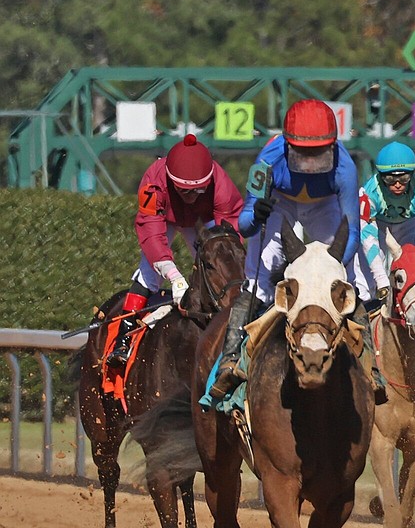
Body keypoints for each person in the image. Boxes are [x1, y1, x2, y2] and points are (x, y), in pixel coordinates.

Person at [208, 98, 385, 403]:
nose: (311, 162)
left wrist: (329, 269)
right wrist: (257, 214)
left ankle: (371, 367)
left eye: (319, 153)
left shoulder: (345, 168)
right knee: (258, 281)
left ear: (333, 145)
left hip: (324, 207)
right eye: (303, 153)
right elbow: (246, 225)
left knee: (347, 280)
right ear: (288, 145)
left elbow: (352, 233)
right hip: (280, 204)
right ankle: (230, 359)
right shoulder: (267, 159)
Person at [107, 134, 243, 369]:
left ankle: (238, 327)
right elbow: (151, 233)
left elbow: (230, 231)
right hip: (164, 219)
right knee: (148, 273)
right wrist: (174, 277)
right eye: (185, 191)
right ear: (171, 181)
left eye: (199, 191)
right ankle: (124, 336)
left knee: (222, 267)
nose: (192, 197)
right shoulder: (154, 181)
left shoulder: (220, 182)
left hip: (201, 220)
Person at [357, 141, 415, 305]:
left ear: (412, 175)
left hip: (408, 225)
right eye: (390, 179)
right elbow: (368, 237)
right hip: (379, 226)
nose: (398, 184)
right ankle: (366, 308)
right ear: (381, 176)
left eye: (404, 178)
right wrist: (381, 279)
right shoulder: (368, 192)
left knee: (413, 268)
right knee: (365, 276)